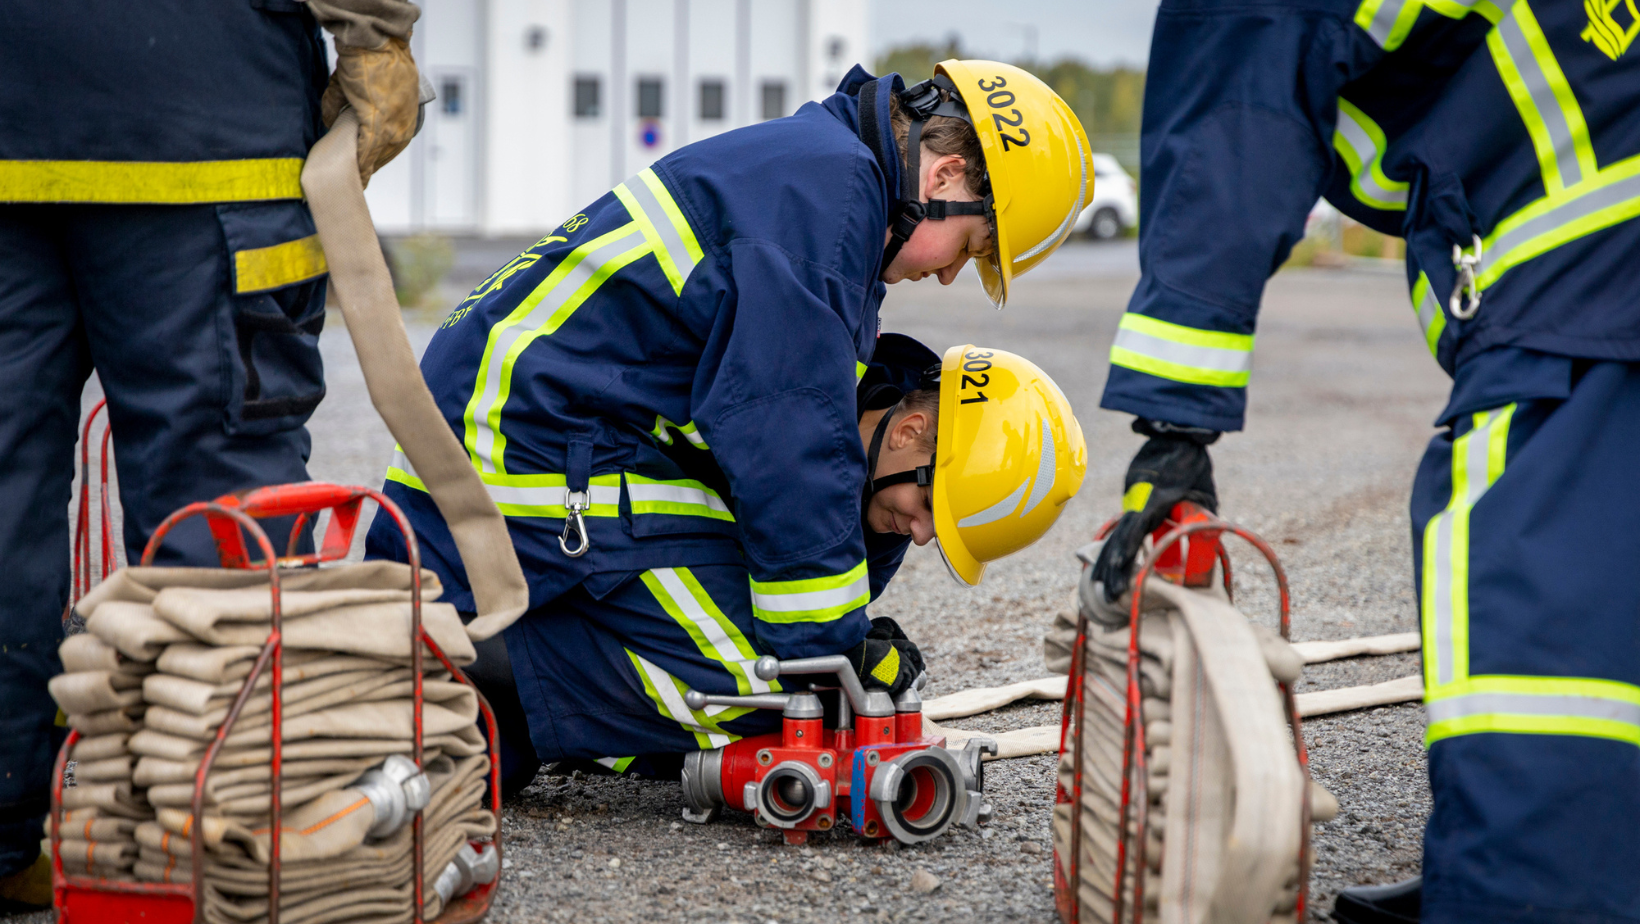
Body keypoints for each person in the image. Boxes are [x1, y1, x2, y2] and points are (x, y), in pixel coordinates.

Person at [364, 61, 1093, 794]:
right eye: (968, 249)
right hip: (510, 467)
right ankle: (473, 680)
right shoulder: (826, 209)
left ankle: (500, 694)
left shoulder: (819, 179)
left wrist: (837, 638)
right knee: (773, 684)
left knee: (771, 639)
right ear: (944, 180)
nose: (946, 277)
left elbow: (775, 452)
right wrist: (834, 667)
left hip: (537, 448)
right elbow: (790, 448)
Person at [1089, 1, 1640, 921]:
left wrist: (1173, 431)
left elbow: (1239, 103)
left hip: (1587, 280)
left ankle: (1524, 886)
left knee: (1547, 668)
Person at [0, 1, 423, 913]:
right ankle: (196, 849)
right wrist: (375, 36)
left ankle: (1, 835)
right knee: (217, 487)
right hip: (196, 119)